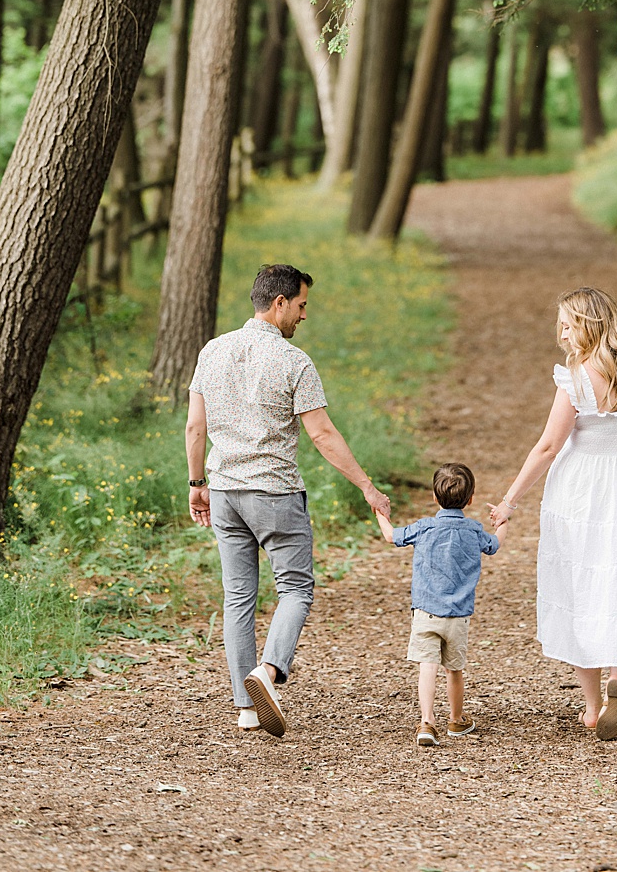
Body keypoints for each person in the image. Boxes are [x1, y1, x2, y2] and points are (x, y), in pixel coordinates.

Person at [186, 262, 391, 737]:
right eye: (301, 306)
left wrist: (197, 485)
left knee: (237, 597)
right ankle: (270, 671)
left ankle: (245, 706)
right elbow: (321, 433)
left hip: (224, 492)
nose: (303, 316)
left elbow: (196, 427)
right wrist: (365, 485)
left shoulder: (212, 351)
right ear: (278, 303)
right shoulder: (293, 362)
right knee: (296, 589)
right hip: (274, 492)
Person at [490, 286, 617, 741]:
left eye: (567, 322)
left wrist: (510, 501)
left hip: (579, 490)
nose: (560, 331)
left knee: (579, 584)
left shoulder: (577, 378)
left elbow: (548, 446)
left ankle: (594, 706)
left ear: (589, 325)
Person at [374, 461, 502, 748]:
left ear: (434, 496)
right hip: (458, 615)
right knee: (454, 670)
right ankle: (456, 720)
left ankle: (427, 721)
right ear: (470, 499)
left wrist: (381, 513)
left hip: (426, 611)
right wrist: (502, 523)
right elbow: (494, 545)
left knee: (427, 666)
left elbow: (390, 535)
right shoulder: (474, 530)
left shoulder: (424, 527)